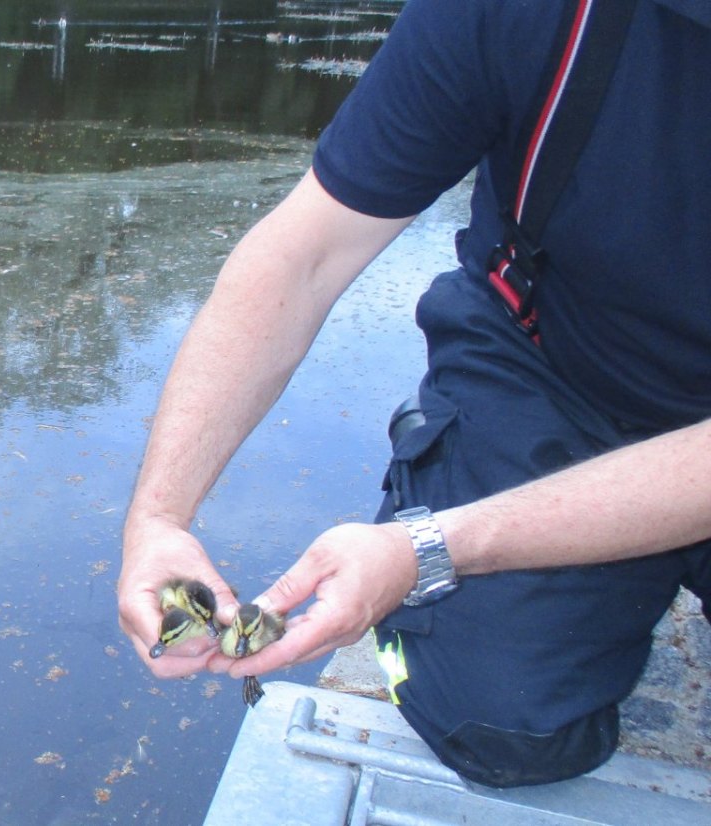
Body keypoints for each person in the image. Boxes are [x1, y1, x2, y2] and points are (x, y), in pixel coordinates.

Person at [118, 0, 710, 788]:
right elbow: (304, 253)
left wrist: (434, 546)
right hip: (551, 359)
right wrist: (157, 516)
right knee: (495, 719)